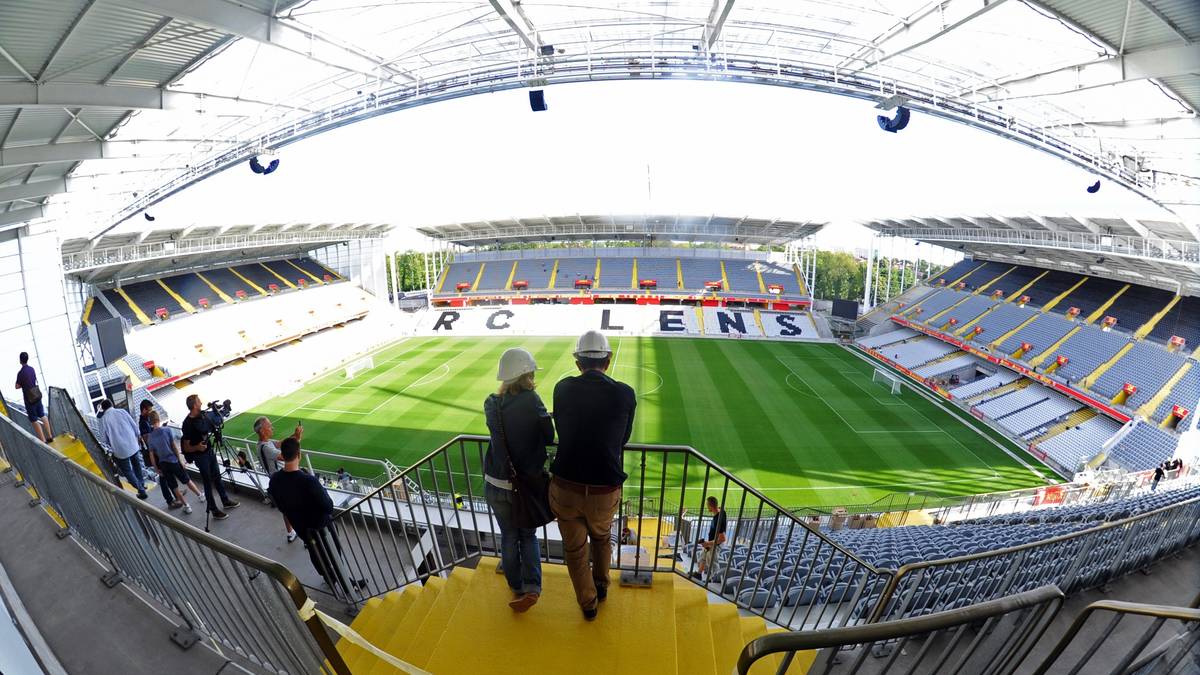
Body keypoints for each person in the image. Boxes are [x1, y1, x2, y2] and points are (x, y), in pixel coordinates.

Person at [549, 330, 636, 620]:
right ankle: (602, 586)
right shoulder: (625, 393)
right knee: (601, 539)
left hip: (565, 487)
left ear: (578, 363)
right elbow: (622, 439)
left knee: (574, 552)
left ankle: (588, 605)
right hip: (603, 489)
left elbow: (563, 430)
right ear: (608, 361)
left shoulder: (561, 388)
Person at [483, 348, 554, 613]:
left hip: (495, 484)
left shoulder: (492, 402)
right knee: (528, 535)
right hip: (522, 486)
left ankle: (516, 586)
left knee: (508, 537)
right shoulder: (531, 399)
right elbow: (548, 436)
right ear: (527, 374)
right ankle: (532, 588)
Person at [268, 438, 361, 595]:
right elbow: (328, 507)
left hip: (303, 530)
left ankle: (329, 578)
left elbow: (280, 505)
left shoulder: (275, 480)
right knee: (334, 556)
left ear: (282, 456)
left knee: (316, 553)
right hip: (322, 528)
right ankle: (348, 587)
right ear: (299, 455)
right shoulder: (308, 481)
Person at [180, 394, 239, 520]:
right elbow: (185, 448)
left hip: (210, 452)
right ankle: (214, 510)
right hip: (201, 457)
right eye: (199, 402)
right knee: (207, 483)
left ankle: (225, 501)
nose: (201, 403)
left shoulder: (202, 415)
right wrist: (197, 448)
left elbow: (214, 420)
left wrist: (221, 410)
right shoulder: (187, 424)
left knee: (217, 478)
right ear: (195, 405)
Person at [254, 416, 301, 542]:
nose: (272, 428)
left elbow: (281, 444)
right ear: (263, 431)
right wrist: (297, 441)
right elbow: (286, 456)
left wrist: (295, 435)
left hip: (278, 480)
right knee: (295, 506)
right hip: (283, 480)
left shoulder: (264, 444)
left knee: (287, 508)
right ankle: (302, 532)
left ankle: (291, 533)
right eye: (269, 426)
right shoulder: (267, 448)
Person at [145, 410, 200, 514]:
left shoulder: (150, 438)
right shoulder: (167, 430)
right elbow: (174, 446)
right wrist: (180, 460)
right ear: (158, 419)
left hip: (163, 464)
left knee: (174, 487)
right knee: (186, 480)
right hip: (173, 461)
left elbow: (151, 455)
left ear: (150, 422)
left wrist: (157, 469)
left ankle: (187, 506)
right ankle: (200, 495)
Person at [97, 399, 149, 500]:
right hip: (133, 444)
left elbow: (104, 439)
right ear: (112, 404)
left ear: (103, 409)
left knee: (127, 471)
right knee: (137, 465)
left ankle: (141, 490)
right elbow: (134, 426)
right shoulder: (122, 411)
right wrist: (138, 437)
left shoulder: (104, 419)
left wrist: (111, 443)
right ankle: (142, 484)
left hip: (119, 450)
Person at [14, 352, 52, 443]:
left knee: (34, 419)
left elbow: (17, 386)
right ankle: (50, 436)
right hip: (37, 395)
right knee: (42, 415)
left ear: (20, 360)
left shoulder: (20, 373)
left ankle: (43, 441)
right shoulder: (32, 369)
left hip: (29, 399)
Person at [693, 496, 727, 582]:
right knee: (703, 557)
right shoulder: (721, 512)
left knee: (712, 562)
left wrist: (708, 543)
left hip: (715, 544)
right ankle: (699, 574)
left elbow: (722, 539)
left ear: (710, 506)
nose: (706, 506)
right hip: (711, 542)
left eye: (707, 505)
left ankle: (713, 580)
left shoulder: (718, 520)